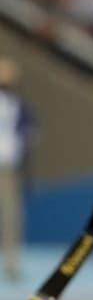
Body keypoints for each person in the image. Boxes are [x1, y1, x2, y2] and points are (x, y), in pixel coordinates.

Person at [0, 56, 36, 282]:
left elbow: (29, 132)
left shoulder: (18, 105)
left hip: (8, 166)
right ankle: (12, 264)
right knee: (10, 216)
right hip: (8, 163)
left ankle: (12, 263)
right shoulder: (17, 105)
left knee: (11, 216)